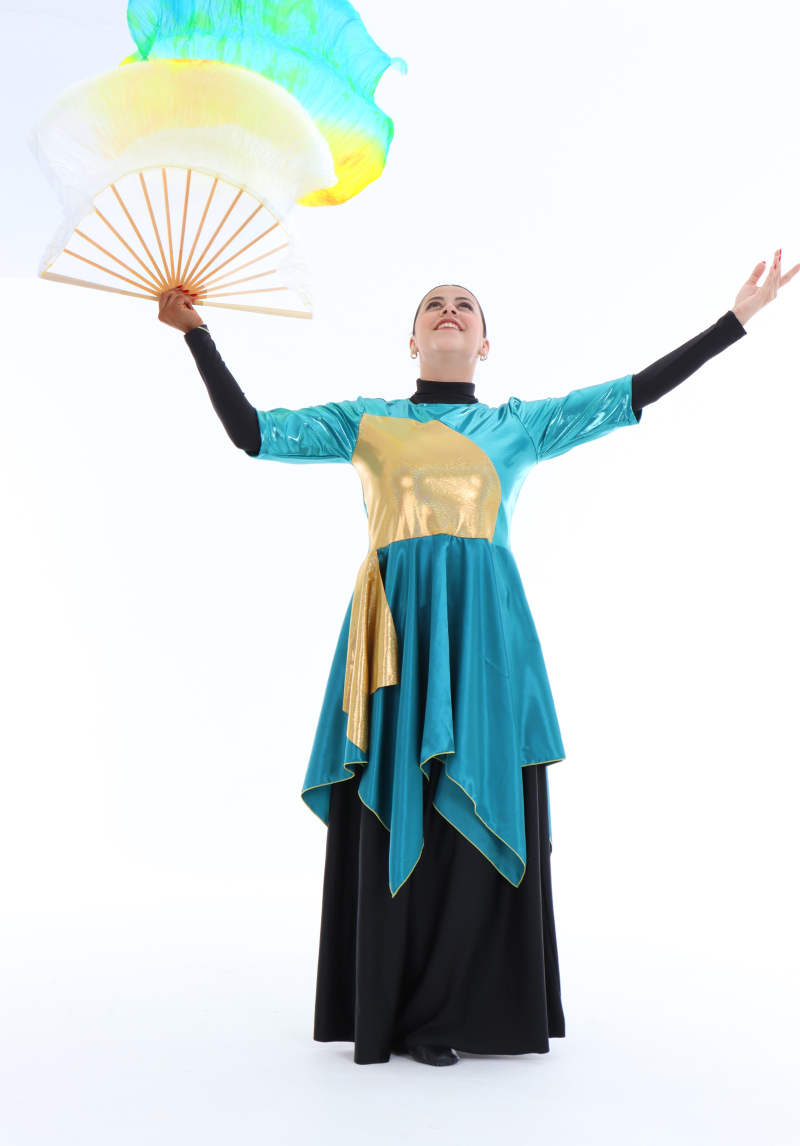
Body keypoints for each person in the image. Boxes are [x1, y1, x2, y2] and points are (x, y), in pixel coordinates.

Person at [157, 250, 796, 1066]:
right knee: (403, 803)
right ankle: (395, 1004)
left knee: (472, 806)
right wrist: (197, 334)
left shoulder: (519, 427)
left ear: (485, 343)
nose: (449, 310)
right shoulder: (366, 422)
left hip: (485, 641)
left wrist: (734, 321)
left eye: (464, 304)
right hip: (395, 638)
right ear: (413, 340)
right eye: (434, 303)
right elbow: (253, 433)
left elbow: (631, 394)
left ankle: (459, 1008)